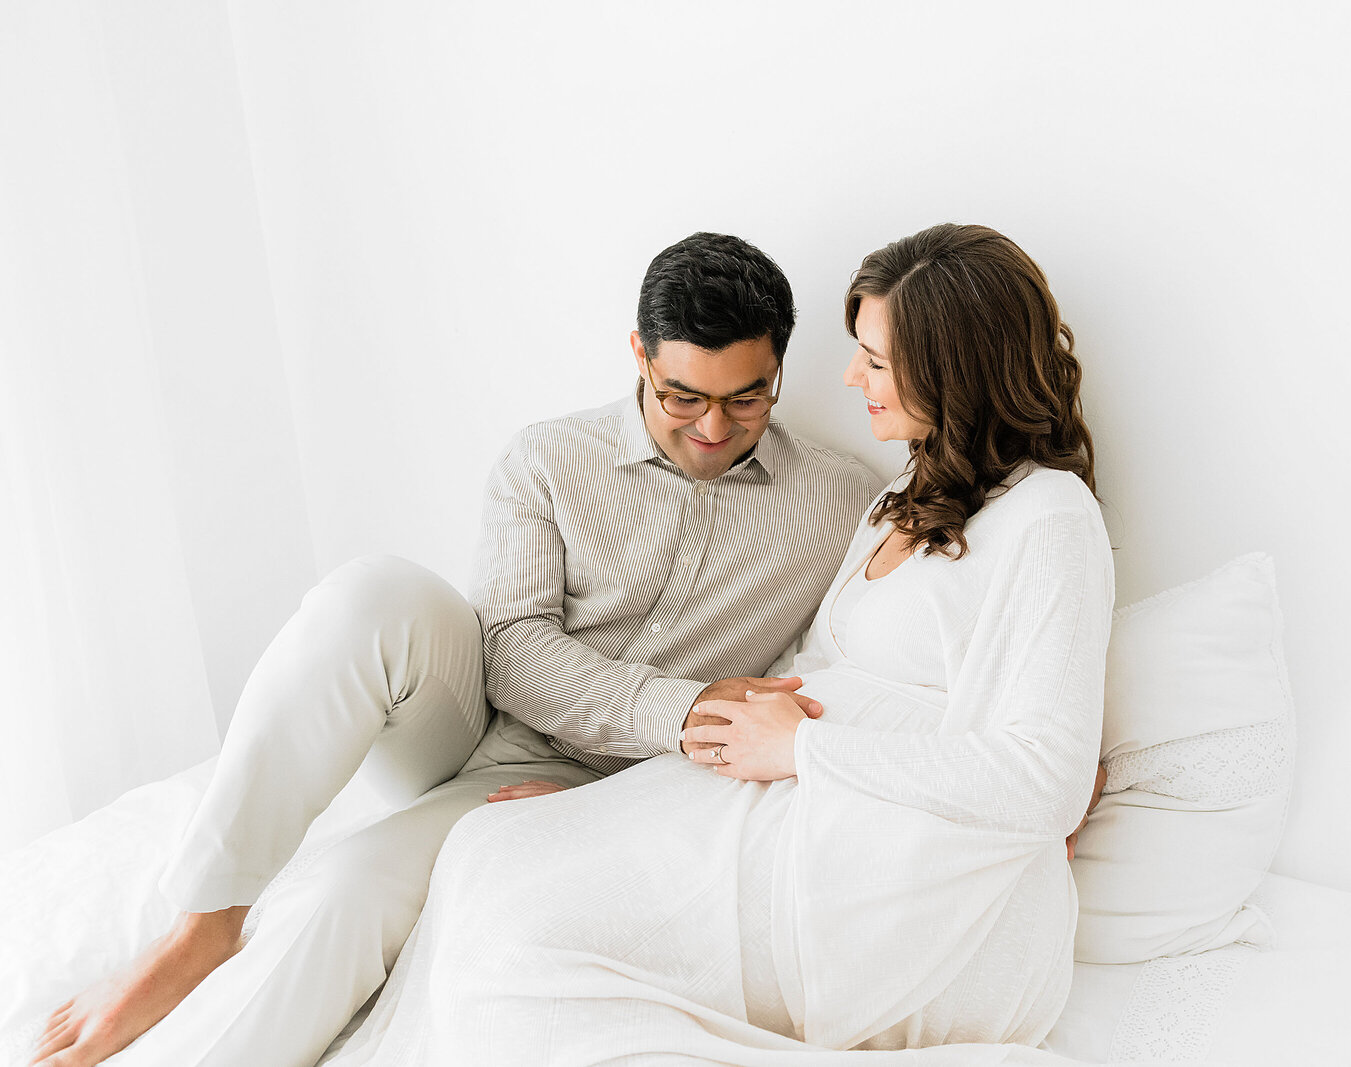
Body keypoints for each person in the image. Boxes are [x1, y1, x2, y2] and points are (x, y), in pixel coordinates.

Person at [30, 233, 883, 1067]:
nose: (712, 426)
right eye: (681, 396)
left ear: (778, 369)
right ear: (639, 355)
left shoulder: (841, 502)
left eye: (746, 398)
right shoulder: (550, 457)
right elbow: (511, 649)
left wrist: (629, 790)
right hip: (475, 719)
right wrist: (683, 708)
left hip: (583, 784)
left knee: (349, 888)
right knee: (369, 595)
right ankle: (203, 923)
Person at [333, 223, 1114, 1064]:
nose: (851, 376)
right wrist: (605, 809)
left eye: (877, 361)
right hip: (791, 811)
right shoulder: (903, 496)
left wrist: (809, 749)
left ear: (954, 370)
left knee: (521, 948)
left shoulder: (1050, 517)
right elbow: (783, 692)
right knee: (489, 855)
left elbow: (1047, 778)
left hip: (887, 879)